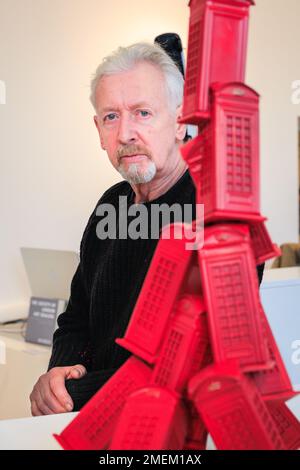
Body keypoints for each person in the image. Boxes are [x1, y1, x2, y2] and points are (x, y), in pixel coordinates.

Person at [29, 42, 264, 416]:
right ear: (98, 130)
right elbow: (77, 319)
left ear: (180, 121)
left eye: (143, 112)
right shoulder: (111, 204)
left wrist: (77, 392)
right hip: (96, 422)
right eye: (111, 117)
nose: (125, 134)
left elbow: (193, 371)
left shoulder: (220, 213)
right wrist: (61, 373)